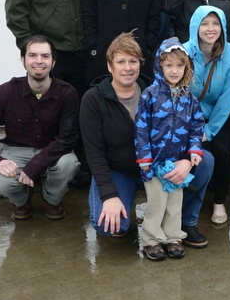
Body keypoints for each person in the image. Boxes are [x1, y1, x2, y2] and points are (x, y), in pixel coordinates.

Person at [81, 33, 214, 247]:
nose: (127, 68)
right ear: (109, 66)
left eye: (133, 61)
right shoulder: (94, 99)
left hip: (162, 165)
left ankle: (185, 224)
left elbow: (192, 125)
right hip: (122, 170)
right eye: (121, 62)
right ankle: (128, 205)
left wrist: (188, 159)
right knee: (107, 225)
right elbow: (94, 153)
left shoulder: (159, 90)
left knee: (205, 160)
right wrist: (109, 194)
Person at [0, 36, 80, 220]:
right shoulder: (6, 91)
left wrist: (34, 166)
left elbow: (67, 138)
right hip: (15, 149)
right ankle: (22, 201)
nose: (38, 61)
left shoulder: (67, 93)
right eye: (32, 55)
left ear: (53, 62)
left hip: (53, 150)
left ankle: (51, 199)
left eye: (45, 56)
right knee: (1, 181)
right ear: (23, 60)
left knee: (68, 165)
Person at [134, 39, 206, 261]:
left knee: (175, 202)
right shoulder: (150, 95)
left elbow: (197, 126)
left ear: (186, 68)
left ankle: (173, 236)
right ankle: (151, 239)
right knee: (157, 202)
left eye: (179, 66)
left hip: (177, 162)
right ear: (159, 66)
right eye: (169, 65)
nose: (174, 71)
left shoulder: (189, 98)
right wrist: (144, 158)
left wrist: (194, 150)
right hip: (154, 162)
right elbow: (141, 128)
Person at [184, 6, 230, 226]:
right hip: (191, 113)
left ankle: (219, 200)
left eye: (215, 23)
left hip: (224, 111)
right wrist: (197, 128)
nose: (210, 29)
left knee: (220, 149)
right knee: (195, 150)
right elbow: (181, 93)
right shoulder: (183, 51)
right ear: (195, 26)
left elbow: (227, 99)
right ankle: (193, 196)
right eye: (205, 23)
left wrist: (208, 131)